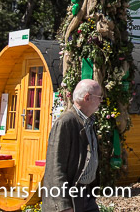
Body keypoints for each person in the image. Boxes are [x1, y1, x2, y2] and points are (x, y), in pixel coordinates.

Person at [42, 79, 103, 212]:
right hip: (70, 197)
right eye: (99, 97)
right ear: (87, 97)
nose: (101, 101)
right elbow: (55, 167)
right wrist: (63, 205)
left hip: (85, 195)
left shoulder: (89, 122)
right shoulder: (66, 123)